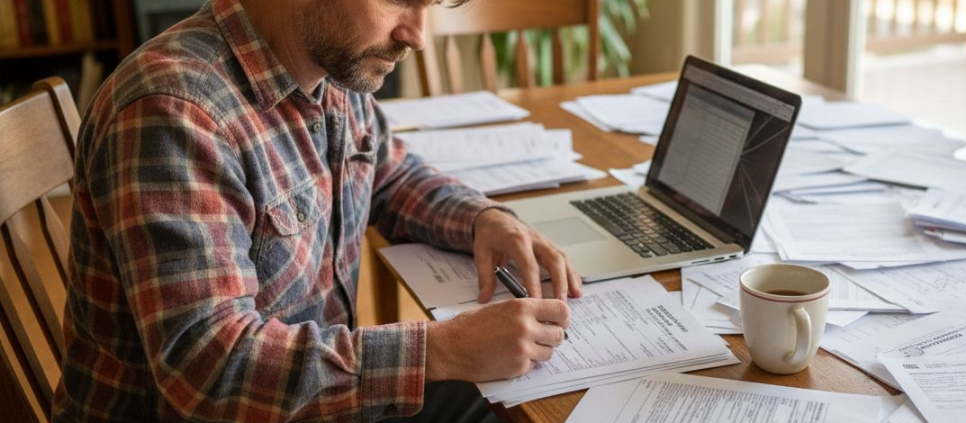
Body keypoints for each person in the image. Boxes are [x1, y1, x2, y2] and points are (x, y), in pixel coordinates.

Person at [52, 0, 583, 421]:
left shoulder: (331, 67)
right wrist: (438, 351)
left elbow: (390, 174)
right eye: (399, 0)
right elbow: (210, 368)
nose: (417, 36)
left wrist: (483, 220)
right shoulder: (174, 112)